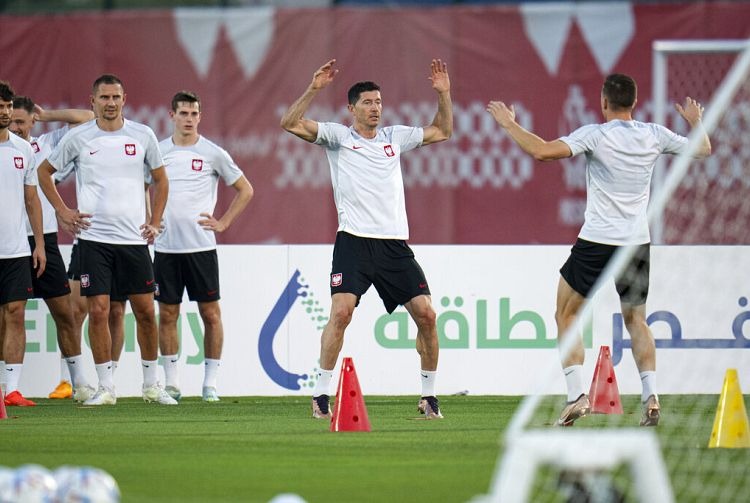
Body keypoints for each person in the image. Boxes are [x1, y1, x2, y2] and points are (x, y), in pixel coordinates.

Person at [486, 73, 711, 426]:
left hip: (597, 241)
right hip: (636, 242)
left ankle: (577, 395)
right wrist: (696, 122)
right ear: (634, 103)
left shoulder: (595, 134)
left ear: (604, 102)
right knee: (636, 318)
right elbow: (703, 149)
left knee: (566, 314)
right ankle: (651, 396)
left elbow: (543, 151)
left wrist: (509, 124)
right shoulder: (654, 134)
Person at [280, 59, 453, 419]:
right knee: (341, 314)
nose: (375, 108)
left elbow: (443, 131)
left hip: (393, 246)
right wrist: (313, 88)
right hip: (354, 243)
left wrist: (444, 94)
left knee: (428, 315)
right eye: (368, 103)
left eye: (379, 102)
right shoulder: (338, 137)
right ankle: (321, 393)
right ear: (351, 109)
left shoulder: (395, 138)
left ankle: (429, 396)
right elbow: (290, 123)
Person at [37, 74, 176, 406]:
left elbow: (161, 180)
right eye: (104, 98)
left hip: (133, 240)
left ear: (124, 98)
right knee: (98, 311)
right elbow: (44, 172)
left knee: (145, 311)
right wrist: (63, 211)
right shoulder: (80, 137)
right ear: (93, 100)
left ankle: (151, 385)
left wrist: (155, 222)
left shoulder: (142, 134)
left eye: (115, 97)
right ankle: (106, 387)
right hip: (93, 240)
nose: (110, 103)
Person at [155, 90, 253, 402]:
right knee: (168, 315)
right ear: (171, 116)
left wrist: (223, 223)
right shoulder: (157, 153)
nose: (189, 119)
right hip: (166, 249)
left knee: (210, 315)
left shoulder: (213, 153)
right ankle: (171, 383)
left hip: (201, 248)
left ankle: (210, 384)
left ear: (200, 116)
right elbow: (144, 187)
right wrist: (150, 219)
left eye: (194, 114)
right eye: (183, 113)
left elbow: (245, 189)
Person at [7, 96, 96, 401]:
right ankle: (9, 387)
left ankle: (78, 382)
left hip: (44, 240)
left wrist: (47, 115)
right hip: (11, 244)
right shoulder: (7, 148)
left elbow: (87, 118)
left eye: (22, 121)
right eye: (13, 120)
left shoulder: (45, 144)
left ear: (33, 121)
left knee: (66, 313)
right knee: (10, 314)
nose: (16, 126)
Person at [0, 81, 46, 406]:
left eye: (6, 107)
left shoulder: (23, 149)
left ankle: (11, 389)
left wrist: (39, 244)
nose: (3, 112)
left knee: (15, 313)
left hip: (16, 249)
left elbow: (32, 199)